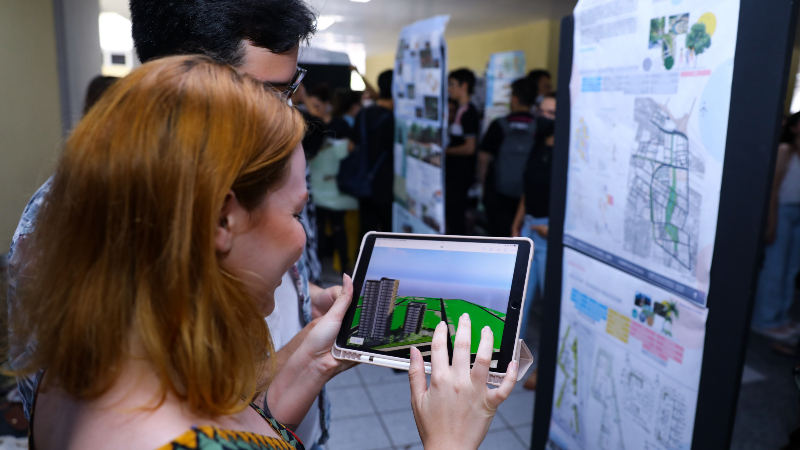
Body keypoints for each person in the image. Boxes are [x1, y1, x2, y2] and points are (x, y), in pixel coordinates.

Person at [12, 56, 517, 449]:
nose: (301, 243)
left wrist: (313, 360)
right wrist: (451, 437)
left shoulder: (81, 371)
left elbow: (247, 426)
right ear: (221, 220)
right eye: (296, 213)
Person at [7, 0, 335, 446]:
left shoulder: (265, 163)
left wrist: (302, 302)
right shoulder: (67, 215)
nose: (289, 112)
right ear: (192, 83)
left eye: (292, 88)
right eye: (271, 93)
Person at [511, 93, 556, 391]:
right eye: (541, 110)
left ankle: (545, 368)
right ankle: (510, 361)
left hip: (550, 234)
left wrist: (550, 230)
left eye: (551, 113)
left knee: (551, 306)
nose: (544, 117)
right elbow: (528, 190)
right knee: (520, 303)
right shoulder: (537, 145)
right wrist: (518, 222)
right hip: (529, 228)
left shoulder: (568, 153)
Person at [751, 112, 800, 341]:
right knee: (775, 267)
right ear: (793, 128)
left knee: (791, 269)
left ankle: (781, 317)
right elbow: (773, 191)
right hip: (782, 212)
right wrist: (771, 223)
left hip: (798, 213)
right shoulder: (784, 151)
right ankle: (765, 319)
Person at [479, 78, 537, 237]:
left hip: (499, 196)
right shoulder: (538, 126)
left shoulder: (500, 125)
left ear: (514, 99)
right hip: (527, 197)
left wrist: (485, 187)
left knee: (499, 236)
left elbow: (483, 158)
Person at [351, 70, 395, 240]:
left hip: (364, 181)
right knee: (388, 232)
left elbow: (351, 146)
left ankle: (361, 265)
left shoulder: (363, 113)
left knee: (367, 231)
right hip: (388, 184)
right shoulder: (395, 119)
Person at [445, 68, 480, 235]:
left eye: (452, 85)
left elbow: (469, 147)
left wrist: (444, 151)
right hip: (454, 175)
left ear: (464, 86)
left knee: (457, 218)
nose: (449, 89)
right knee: (452, 217)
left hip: (461, 176)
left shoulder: (469, 112)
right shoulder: (459, 109)